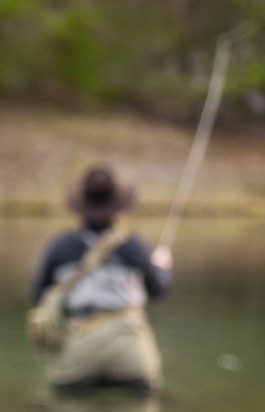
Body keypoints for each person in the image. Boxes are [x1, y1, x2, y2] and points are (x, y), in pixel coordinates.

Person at [28, 164, 173, 391]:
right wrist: (163, 267)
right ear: (118, 205)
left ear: (81, 205)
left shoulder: (59, 246)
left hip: (77, 350)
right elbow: (157, 290)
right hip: (129, 351)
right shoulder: (133, 245)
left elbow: (38, 294)